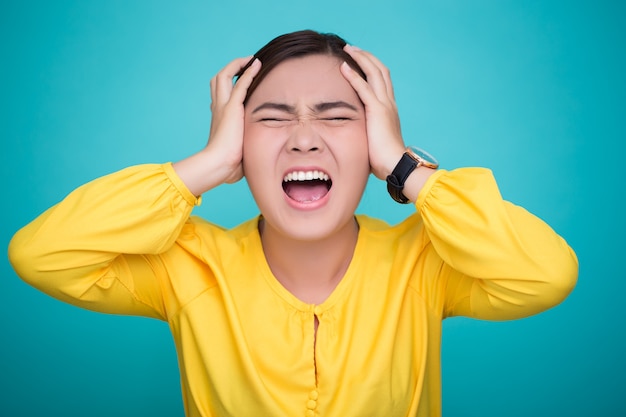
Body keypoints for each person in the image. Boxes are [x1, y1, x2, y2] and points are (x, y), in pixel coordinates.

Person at [8, 29, 578, 417]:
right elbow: (42, 254)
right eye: (272, 120)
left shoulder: (425, 263)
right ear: (239, 144)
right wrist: (205, 166)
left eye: (336, 118)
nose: (304, 138)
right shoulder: (185, 268)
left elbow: (546, 274)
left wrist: (406, 167)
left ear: (373, 142)